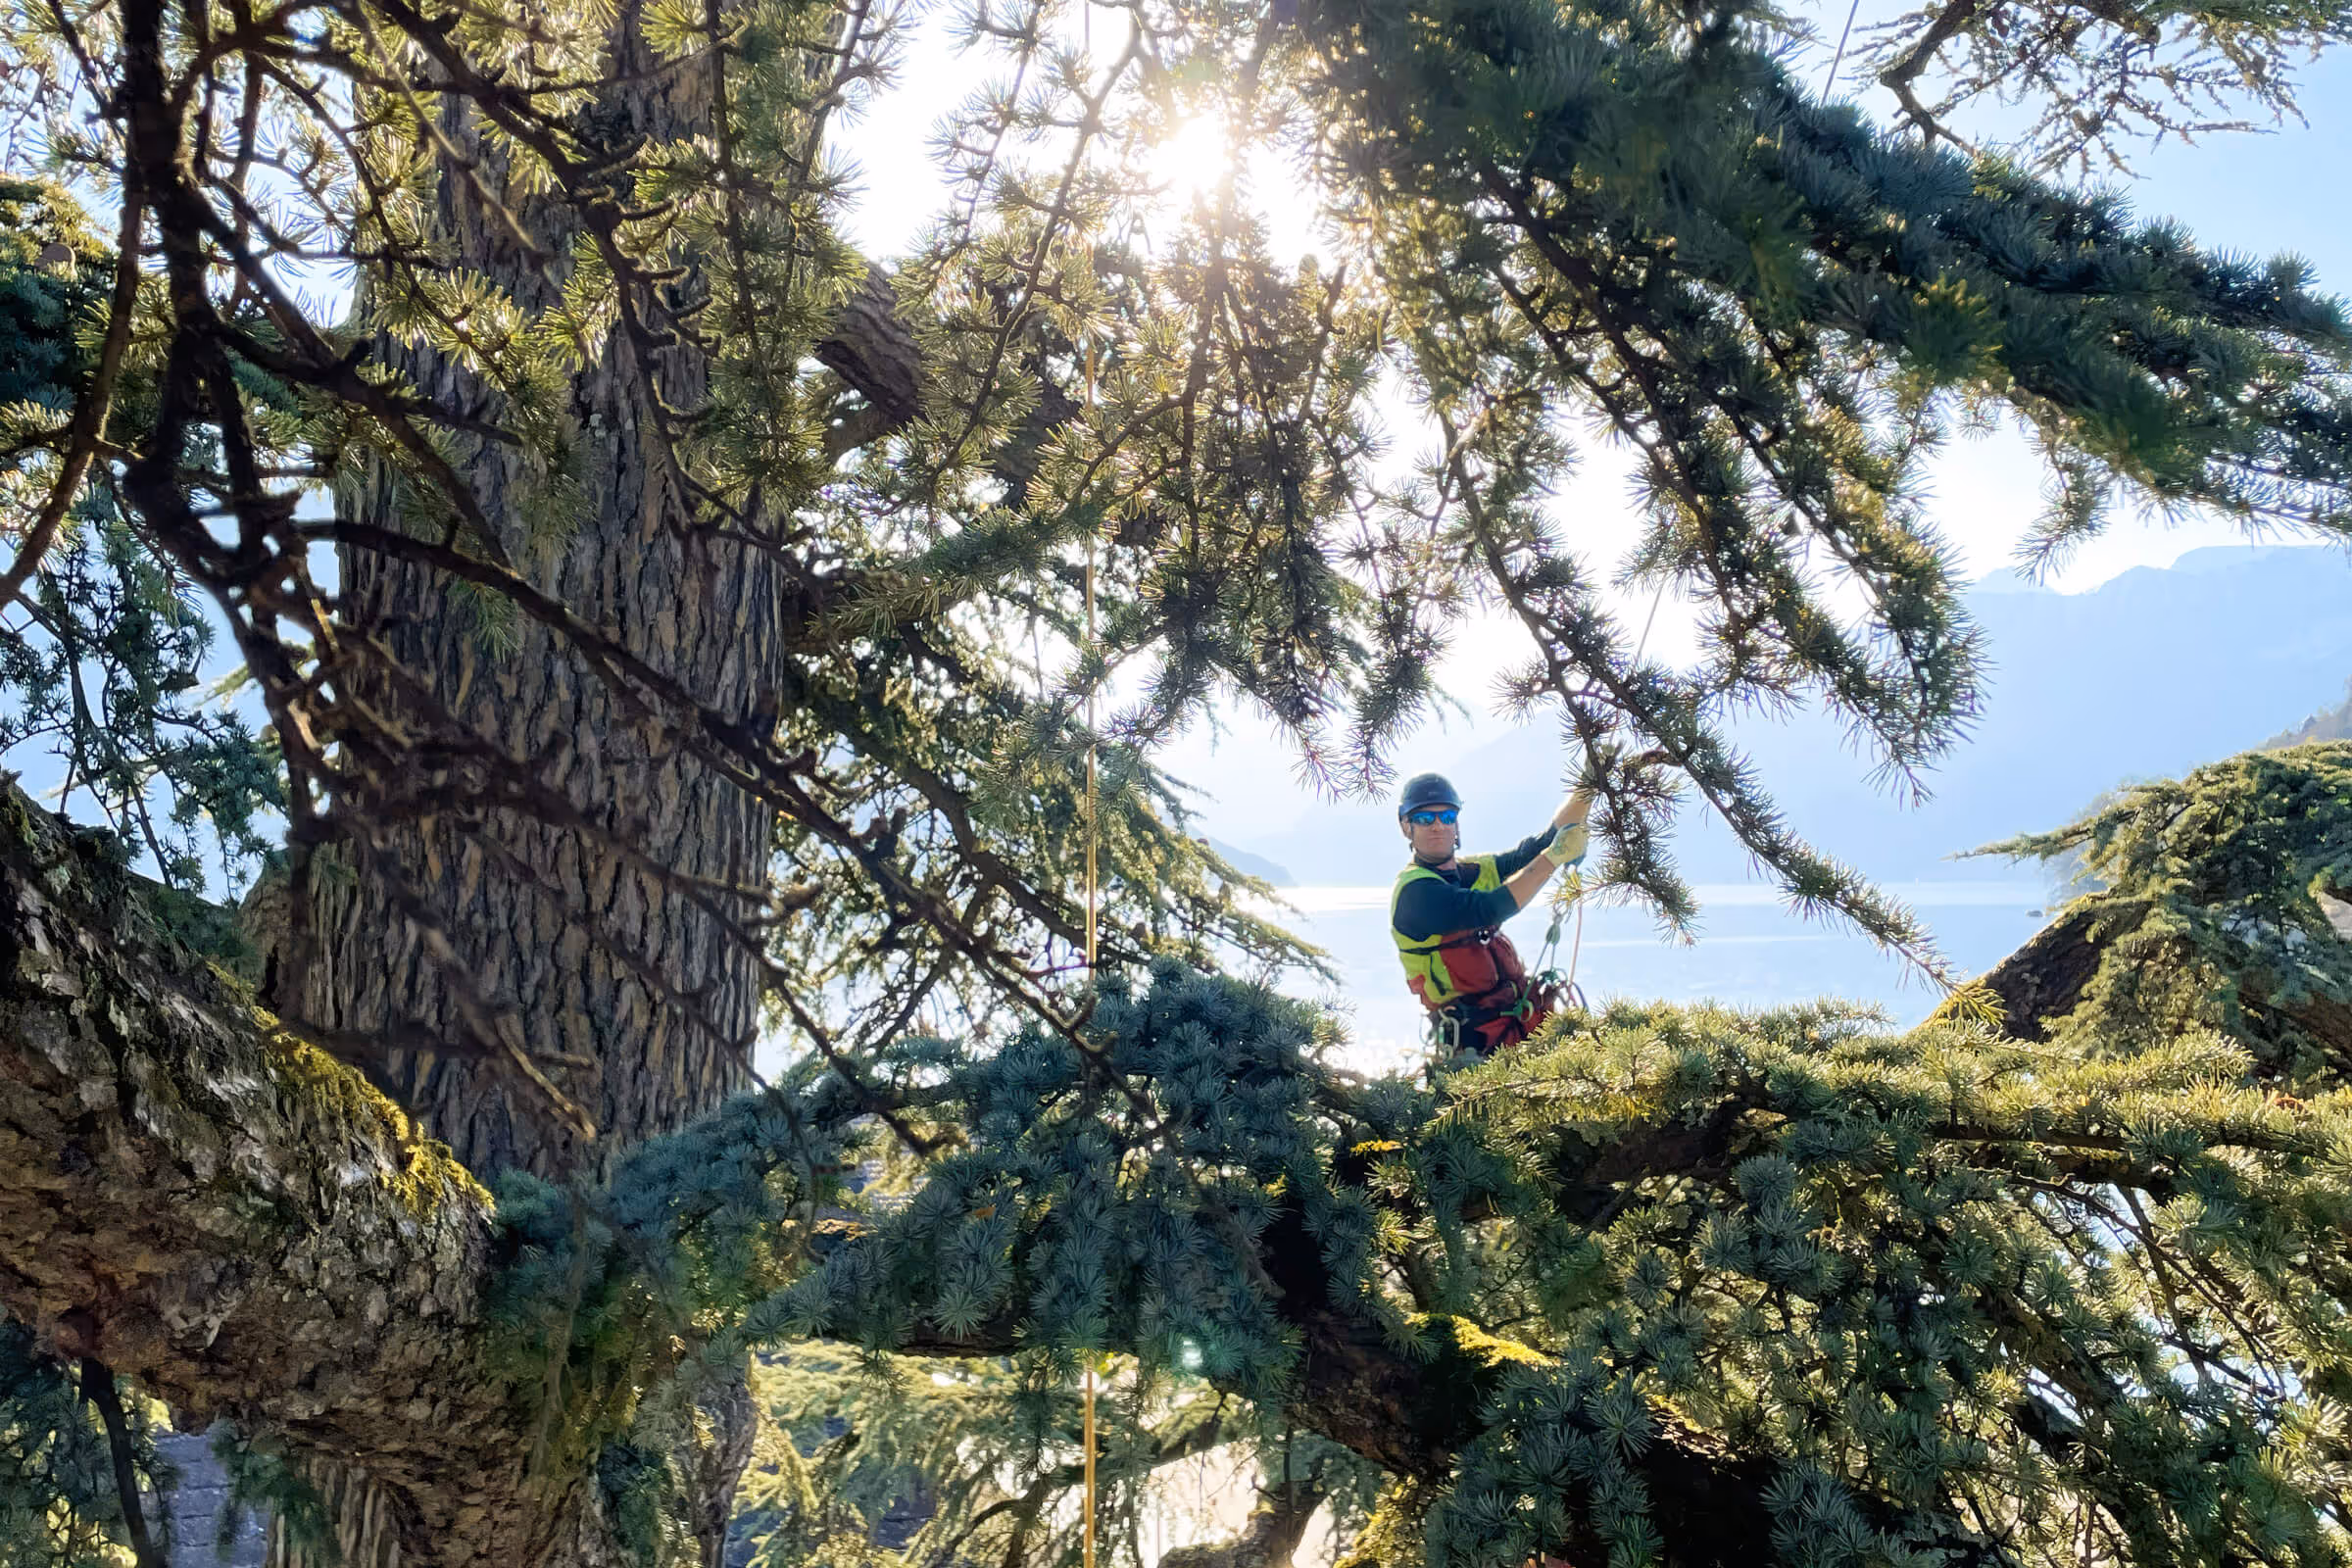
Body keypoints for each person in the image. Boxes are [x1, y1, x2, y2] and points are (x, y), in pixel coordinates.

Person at [1389, 771, 1592, 1057]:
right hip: (1471, 1048)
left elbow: (1540, 846)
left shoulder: (1473, 871)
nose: (1437, 826)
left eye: (1446, 817)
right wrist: (1554, 857)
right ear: (1406, 826)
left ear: (1456, 825)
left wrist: (1590, 785)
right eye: (1424, 819)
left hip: (1514, 1028)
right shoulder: (1415, 894)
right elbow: (1490, 908)